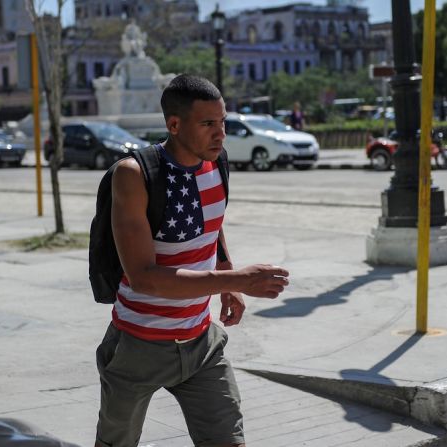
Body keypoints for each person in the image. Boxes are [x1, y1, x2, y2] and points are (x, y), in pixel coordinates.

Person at [95, 74, 290, 447]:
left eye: (222, 123)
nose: (221, 135)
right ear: (174, 124)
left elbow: (211, 225)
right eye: (207, 125)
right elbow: (144, 278)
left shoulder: (215, 163)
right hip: (139, 345)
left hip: (201, 344)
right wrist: (236, 281)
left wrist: (227, 278)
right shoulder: (134, 176)